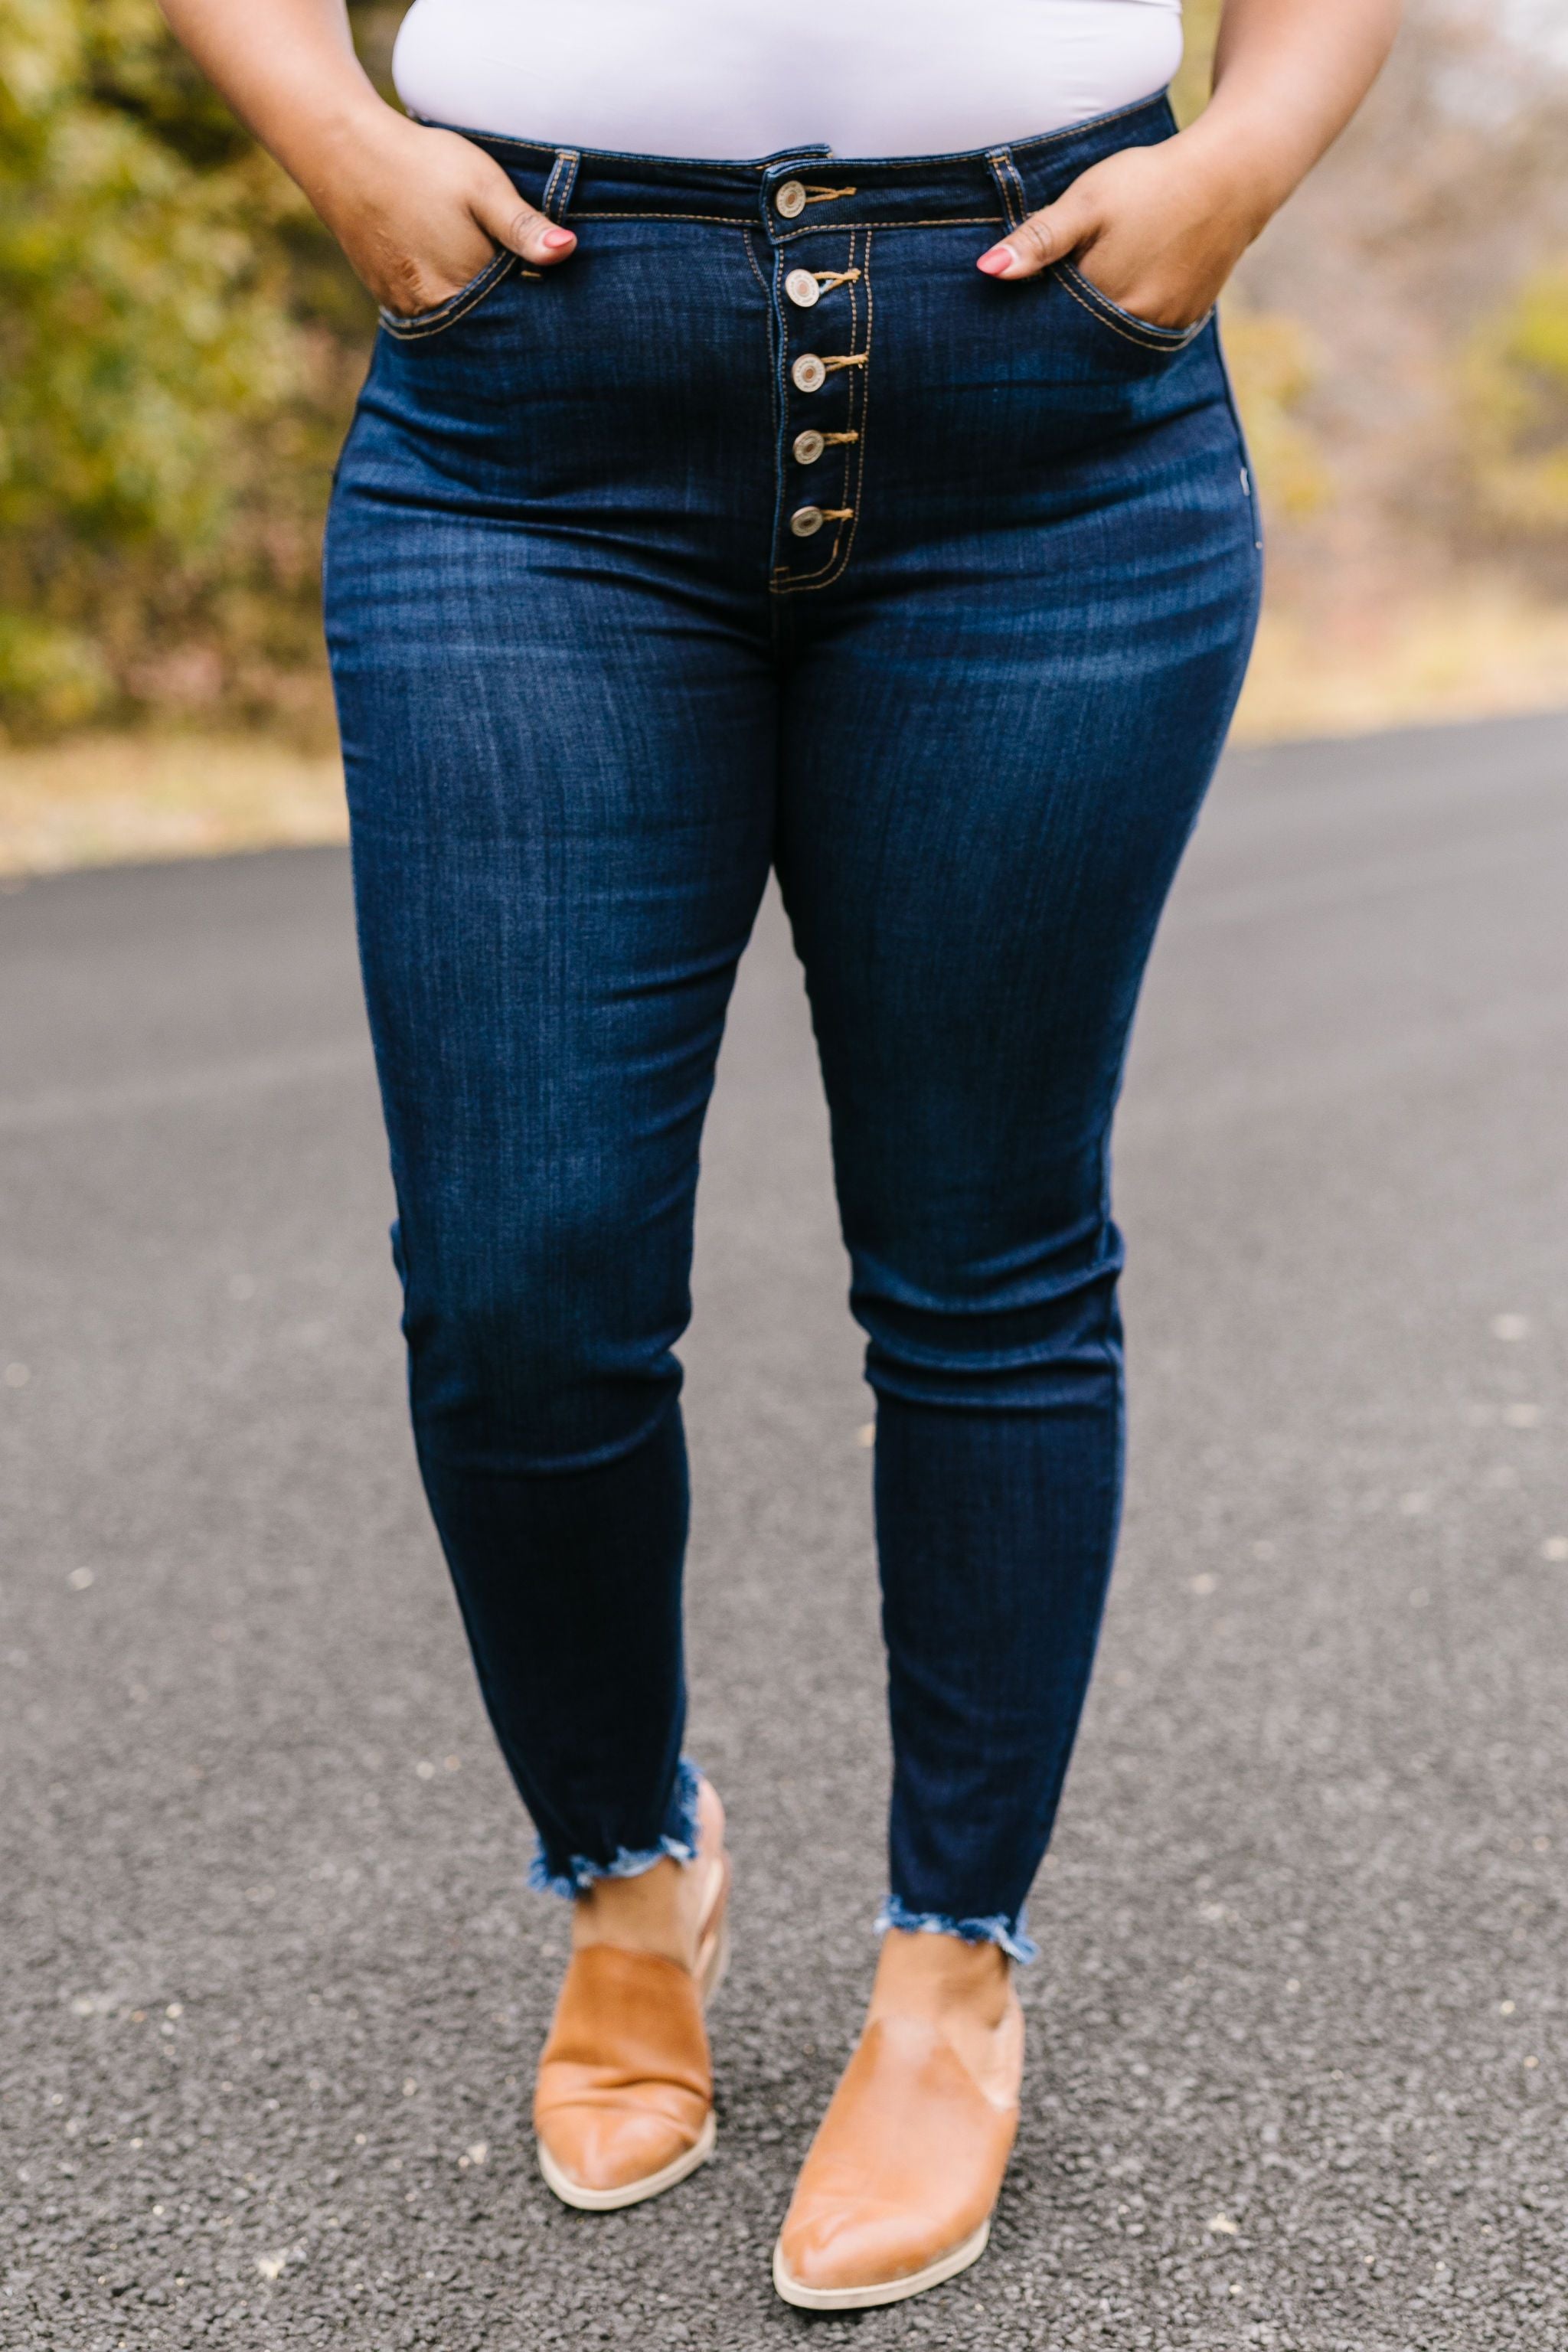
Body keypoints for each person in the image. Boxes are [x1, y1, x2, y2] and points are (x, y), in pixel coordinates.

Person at [161, 0, 1399, 2310]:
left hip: (1051, 391)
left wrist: (1247, 158)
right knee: (521, 1284)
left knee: (987, 1255)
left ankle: (953, 1969)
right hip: (530, 397)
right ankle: (631, 1867)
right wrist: (329, 130)